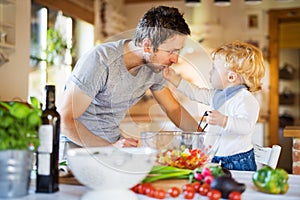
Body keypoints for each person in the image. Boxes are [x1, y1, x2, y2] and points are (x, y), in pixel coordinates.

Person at [59, 6, 200, 148]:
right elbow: (65, 121)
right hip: (76, 150)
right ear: (147, 46)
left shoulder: (154, 67)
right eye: (171, 51)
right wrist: (110, 148)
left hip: (112, 148)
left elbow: (173, 109)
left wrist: (204, 138)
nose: (175, 59)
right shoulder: (101, 60)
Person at [163, 41, 265, 171]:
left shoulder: (245, 99)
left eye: (214, 69)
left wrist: (224, 120)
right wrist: (174, 78)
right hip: (215, 158)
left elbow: (246, 126)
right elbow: (196, 93)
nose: (210, 73)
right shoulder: (217, 95)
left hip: (237, 161)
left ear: (231, 77)